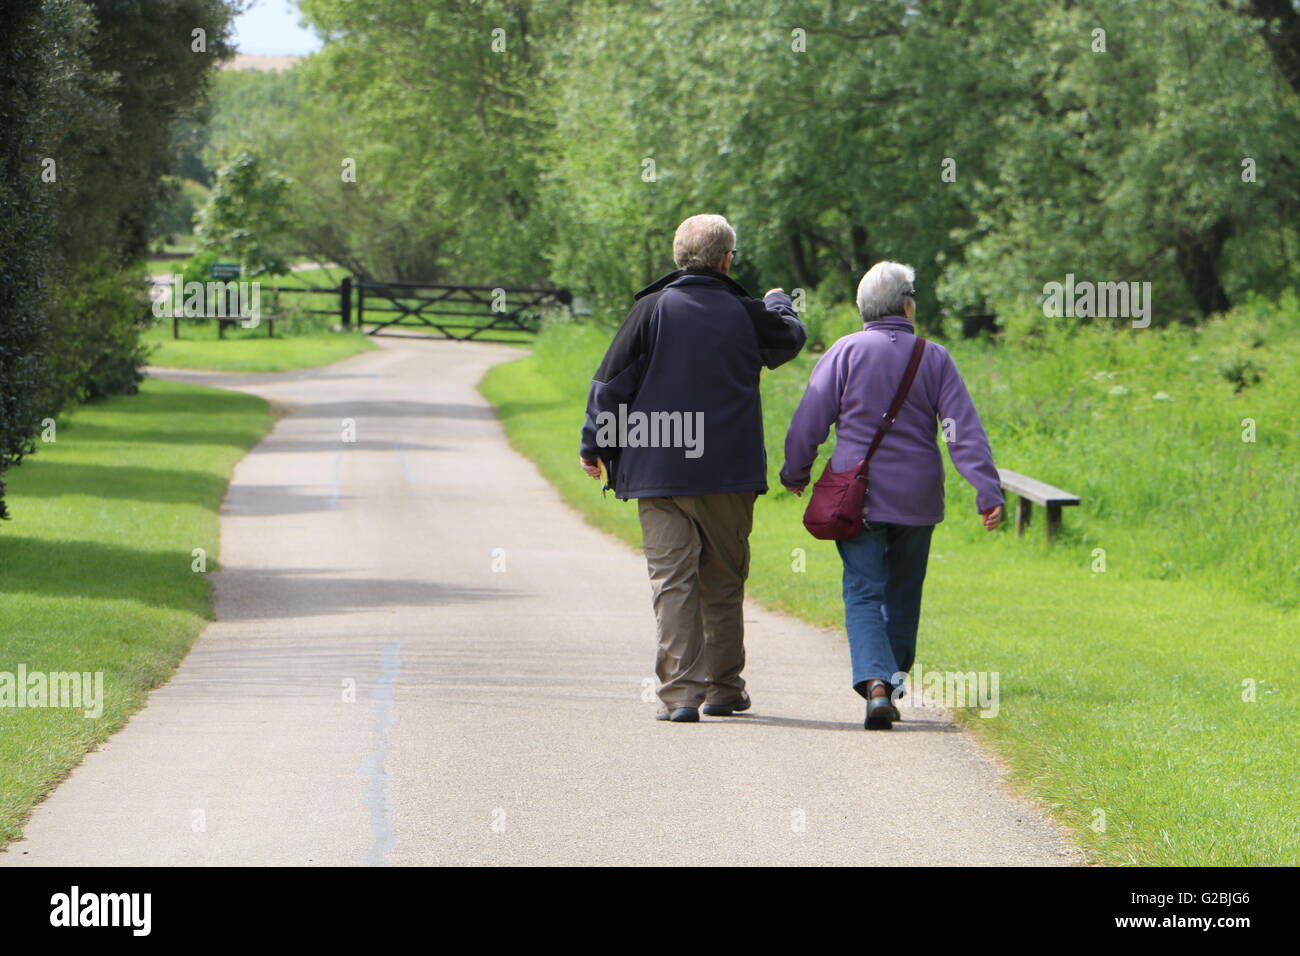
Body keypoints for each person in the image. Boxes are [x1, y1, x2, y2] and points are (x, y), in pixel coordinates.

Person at [579, 214, 806, 722]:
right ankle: (724, 689)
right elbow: (790, 339)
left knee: (672, 583)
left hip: (657, 469)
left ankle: (681, 695)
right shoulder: (746, 313)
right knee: (722, 582)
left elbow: (611, 385)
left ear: (678, 258)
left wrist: (595, 445)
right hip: (727, 473)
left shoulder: (650, 310)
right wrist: (777, 301)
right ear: (727, 260)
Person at [780, 261, 1003, 730]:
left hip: (853, 496)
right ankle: (892, 685)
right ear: (906, 304)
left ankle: (876, 685)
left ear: (864, 308)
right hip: (917, 498)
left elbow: (809, 420)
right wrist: (986, 489)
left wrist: (795, 471)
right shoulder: (935, 357)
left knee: (862, 591)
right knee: (904, 593)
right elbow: (961, 430)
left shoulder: (844, 352)